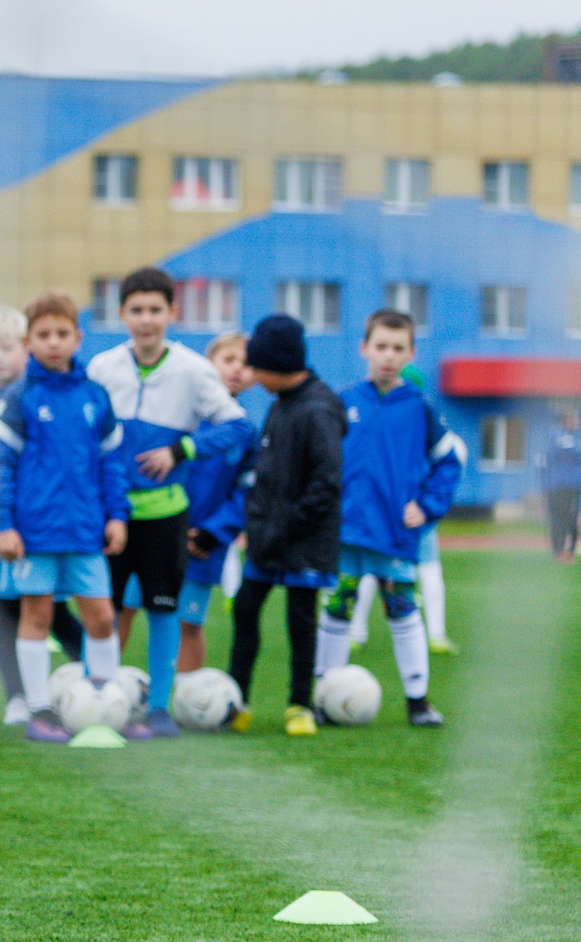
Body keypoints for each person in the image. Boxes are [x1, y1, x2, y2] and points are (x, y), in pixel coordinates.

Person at [88, 267, 250, 737]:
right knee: (107, 610)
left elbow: (238, 425)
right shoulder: (102, 369)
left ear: (172, 313)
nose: (146, 320)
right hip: (113, 515)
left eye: (155, 310)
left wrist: (182, 449)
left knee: (163, 609)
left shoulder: (193, 369)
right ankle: (99, 702)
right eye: (136, 310)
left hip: (166, 514)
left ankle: (159, 709)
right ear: (121, 314)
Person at [0, 291, 130, 743]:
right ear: (29, 341)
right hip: (35, 533)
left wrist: (117, 516)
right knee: (37, 617)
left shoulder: (95, 396)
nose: (53, 343)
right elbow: (1, 467)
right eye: (43, 335)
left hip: (87, 530)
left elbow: (111, 462)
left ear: (77, 337)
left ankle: (104, 703)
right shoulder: (20, 397)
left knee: (102, 617)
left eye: (62, 334)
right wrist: (5, 526)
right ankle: (40, 711)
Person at [311, 309, 457, 727]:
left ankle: (418, 701)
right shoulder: (342, 402)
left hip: (393, 533)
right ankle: (325, 694)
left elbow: (449, 462)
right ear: (364, 348)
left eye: (398, 348)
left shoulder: (420, 408)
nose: (388, 356)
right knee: (338, 606)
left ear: (411, 353)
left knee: (402, 607)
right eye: (381, 347)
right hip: (344, 532)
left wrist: (428, 505)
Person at [0, 305, 82, 722]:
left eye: (7, 347)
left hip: (42, 533)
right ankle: (18, 699)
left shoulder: (39, 400)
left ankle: (95, 683)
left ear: (25, 349)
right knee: (5, 614)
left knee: (54, 611)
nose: (0, 357)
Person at [224, 315, 344, 735]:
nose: (252, 377)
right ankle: (236, 701)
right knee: (245, 609)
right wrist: (259, 525)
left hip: (305, 540)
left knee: (300, 619)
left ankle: (299, 704)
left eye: (256, 368)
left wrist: (288, 525)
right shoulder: (278, 406)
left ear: (278, 365)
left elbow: (327, 482)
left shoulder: (319, 409)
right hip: (267, 538)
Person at [177, 331, 263, 675]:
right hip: (162, 533)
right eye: (229, 360)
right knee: (129, 610)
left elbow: (246, 493)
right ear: (208, 366)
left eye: (246, 363)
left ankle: (185, 697)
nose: (237, 369)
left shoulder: (247, 434)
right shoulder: (184, 417)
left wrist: (212, 534)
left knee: (190, 622)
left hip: (203, 544)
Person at [540, 408, 581, 562]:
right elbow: (577, 456)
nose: (578, 422)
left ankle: (563, 552)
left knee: (563, 518)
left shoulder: (561, 436)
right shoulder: (562, 437)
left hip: (563, 485)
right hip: (564, 485)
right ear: (568, 419)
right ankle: (564, 552)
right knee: (565, 518)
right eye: (576, 418)